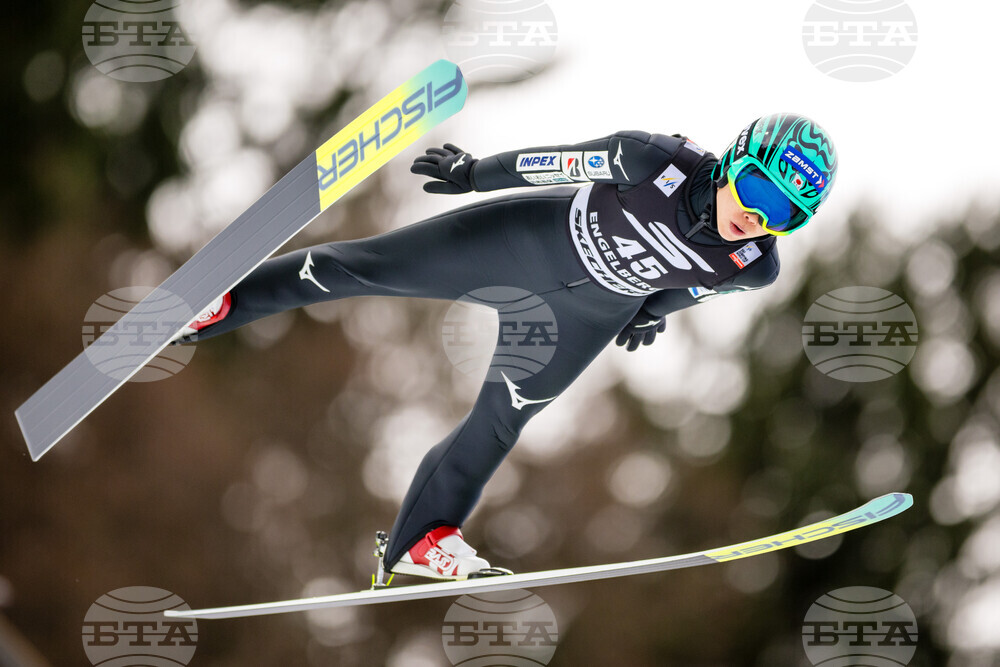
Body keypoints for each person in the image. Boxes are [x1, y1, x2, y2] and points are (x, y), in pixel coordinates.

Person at [173, 113, 838, 580]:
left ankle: (420, 539)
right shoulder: (653, 158)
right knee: (362, 266)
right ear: (734, 160)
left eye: (782, 215)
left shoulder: (754, 263)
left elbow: (691, 289)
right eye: (755, 190)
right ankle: (222, 302)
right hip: (522, 244)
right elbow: (555, 160)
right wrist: (472, 175)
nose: (755, 216)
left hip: (582, 316)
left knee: (501, 421)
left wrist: (648, 313)